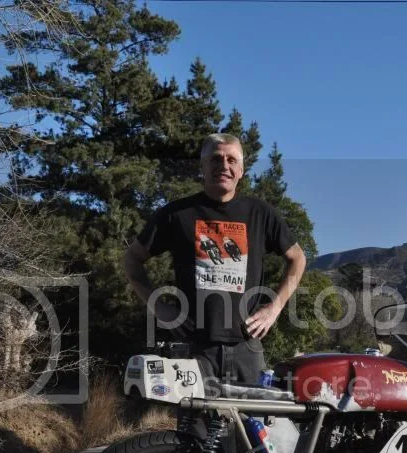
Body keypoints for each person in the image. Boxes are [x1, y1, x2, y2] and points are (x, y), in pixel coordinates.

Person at [123, 133, 306, 384]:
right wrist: (159, 307)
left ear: (241, 170)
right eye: (216, 159)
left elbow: (297, 258)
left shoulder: (260, 213)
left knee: (253, 423)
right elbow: (132, 260)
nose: (224, 166)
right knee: (196, 424)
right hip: (194, 347)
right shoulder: (176, 214)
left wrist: (274, 308)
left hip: (247, 347)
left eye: (232, 160)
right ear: (203, 166)